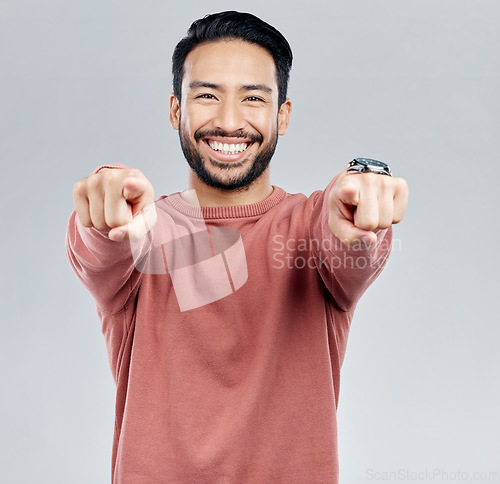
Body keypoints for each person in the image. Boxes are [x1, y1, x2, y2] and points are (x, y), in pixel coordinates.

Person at [66, 10, 408, 483]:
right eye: (206, 96)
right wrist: (104, 204)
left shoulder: (313, 228)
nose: (229, 122)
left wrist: (363, 203)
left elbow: (350, 243)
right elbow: (99, 246)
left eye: (253, 99)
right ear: (174, 110)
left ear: (282, 116)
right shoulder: (141, 230)